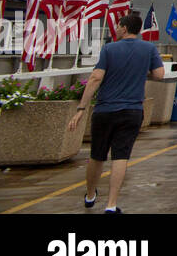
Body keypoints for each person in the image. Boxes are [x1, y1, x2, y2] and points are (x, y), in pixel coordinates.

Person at [68, 12, 164, 213]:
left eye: (119, 26)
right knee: (121, 157)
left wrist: (81, 108)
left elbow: (95, 78)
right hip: (132, 111)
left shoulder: (109, 49)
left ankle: (91, 194)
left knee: (97, 155)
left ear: (125, 28)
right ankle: (111, 205)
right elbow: (159, 74)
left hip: (105, 110)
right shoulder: (149, 49)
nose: (117, 29)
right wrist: (140, 72)